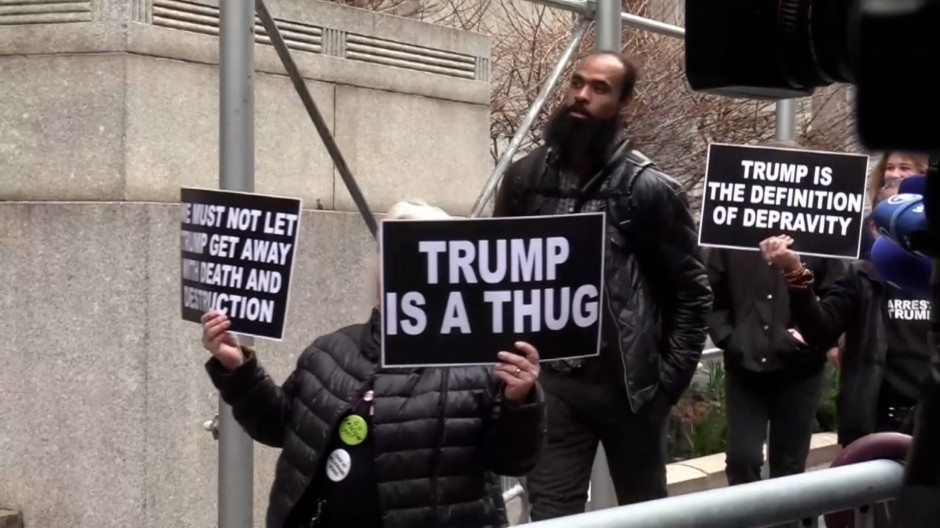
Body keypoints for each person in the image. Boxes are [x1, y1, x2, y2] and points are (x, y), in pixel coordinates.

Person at [201, 200, 547, 528]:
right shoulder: (329, 352)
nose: (404, 271)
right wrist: (239, 370)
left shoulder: (481, 366)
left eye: (420, 258)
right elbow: (285, 430)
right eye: (394, 256)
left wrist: (521, 400)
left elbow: (514, 459)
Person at [492, 52, 712, 519]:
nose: (581, 95)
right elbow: (500, 275)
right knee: (552, 515)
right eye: (577, 82)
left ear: (623, 104)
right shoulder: (524, 179)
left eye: (599, 88)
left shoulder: (648, 189)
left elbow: (692, 295)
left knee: (644, 513)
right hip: (551, 388)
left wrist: (662, 389)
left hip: (629, 392)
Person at [706, 140, 845, 488]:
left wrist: (811, 336)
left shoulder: (823, 237)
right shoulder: (731, 235)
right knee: (743, 460)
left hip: (800, 371)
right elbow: (710, 293)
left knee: (789, 468)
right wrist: (730, 337)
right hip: (746, 366)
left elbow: (836, 296)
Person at [759, 194, 932, 447]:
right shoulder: (861, 276)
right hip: (875, 426)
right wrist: (795, 272)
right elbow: (819, 332)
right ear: (875, 230)